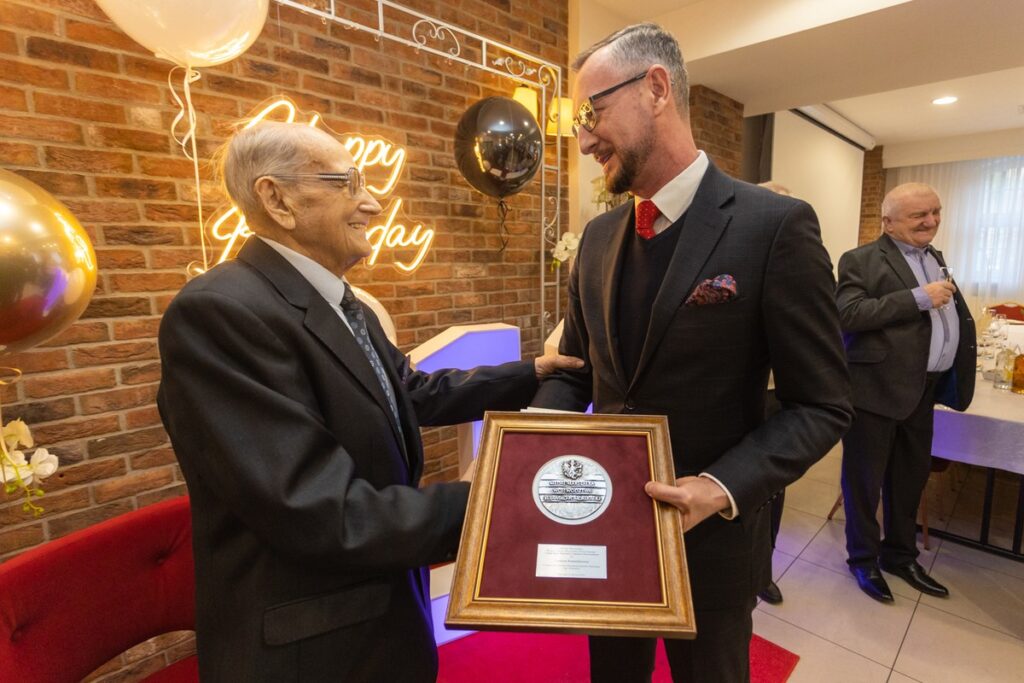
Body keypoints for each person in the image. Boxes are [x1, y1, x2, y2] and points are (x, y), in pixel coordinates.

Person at [157, 121, 582, 681]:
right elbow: (320, 510)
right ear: (276, 198)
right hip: (315, 650)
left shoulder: (334, 297)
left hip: (381, 617)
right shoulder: (220, 313)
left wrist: (531, 373)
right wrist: (494, 497)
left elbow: (406, 392)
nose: (373, 203)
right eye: (347, 182)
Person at [532, 23, 852, 683]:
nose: (585, 137)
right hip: (607, 530)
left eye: (592, 113)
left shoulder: (774, 226)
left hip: (711, 545)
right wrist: (531, 454)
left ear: (655, 89)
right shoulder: (595, 238)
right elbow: (577, 372)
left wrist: (718, 487)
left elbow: (821, 403)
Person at [837, 182, 975, 603]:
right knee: (864, 482)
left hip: (923, 389)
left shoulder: (935, 257)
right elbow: (848, 313)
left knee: (910, 479)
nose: (931, 221)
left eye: (935, 211)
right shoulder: (860, 259)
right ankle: (862, 560)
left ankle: (900, 555)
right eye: (919, 216)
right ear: (889, 222)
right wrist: (917, 298)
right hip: (874, 391)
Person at [756, 180, 792, 607]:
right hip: (738, 394)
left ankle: (763, 566)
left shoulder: (797, 268)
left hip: (775, 392)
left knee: (773, 486)